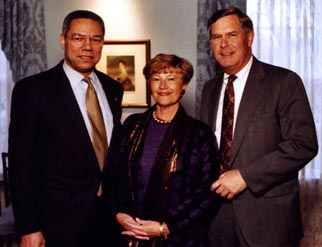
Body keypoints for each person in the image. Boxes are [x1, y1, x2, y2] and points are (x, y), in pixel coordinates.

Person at [201, 7, 318, 247]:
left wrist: (245, 176)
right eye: (216, 37)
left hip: (269, 220)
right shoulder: (209, 89)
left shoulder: (283, 82)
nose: (224, 44)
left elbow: (303, 144)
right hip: (216, 219)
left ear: (249, 37)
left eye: (231, 34)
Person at [8, 10, 123, 247]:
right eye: (78, 38)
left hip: (108, 223)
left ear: (103, 43)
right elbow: (21, 166)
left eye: (95, 39)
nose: (87, 47)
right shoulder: (32, 90)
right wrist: (29, 227)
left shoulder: (113, 89)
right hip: (57, 226)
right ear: (63, 40)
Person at [114, 53, 220, 247]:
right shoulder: (131, 126)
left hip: (181, 238)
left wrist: (166, 227)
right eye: (156, 79)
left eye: (171, 79)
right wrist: (119, 213)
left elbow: (208, 192)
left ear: (184, 85)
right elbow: (115, 176)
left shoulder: (199, 134)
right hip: (131, 235)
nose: (163, 86)